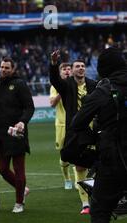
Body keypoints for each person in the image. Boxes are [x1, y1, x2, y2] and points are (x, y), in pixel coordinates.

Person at [70, 47, 127, 223]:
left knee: (100, 211)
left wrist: (96, 135)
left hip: (114, 161)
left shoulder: (103, 90)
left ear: (103, 69)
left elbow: (77, 123)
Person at [0, 57, 34, 213]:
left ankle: (19, 202)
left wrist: (22, 122)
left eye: (6, 67)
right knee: (3, 170)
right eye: (1, 67)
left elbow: (29, 107)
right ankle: (22, 189)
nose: (3, 70)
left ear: (13, 69)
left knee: (19, 169)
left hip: (16, 132)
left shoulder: (19, 84)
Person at [50, 51, 97, 215]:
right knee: (79, 166)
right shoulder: (67, 84)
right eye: (77, 66)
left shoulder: (93, 84)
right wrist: (54, 64)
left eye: (83, 66)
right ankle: (85, 204)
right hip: (76, 132)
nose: (81, 68)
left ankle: (99, 195)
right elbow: (54, 80)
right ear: (73, 69)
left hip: (94, 130)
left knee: (100, 163)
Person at [49, 62, 74, 190]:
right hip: (62, 125)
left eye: (69, 69)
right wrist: (61, 90)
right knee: (64, 154)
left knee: (80, 152)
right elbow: (52, 103)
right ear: (60, 72)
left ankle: (79, 180)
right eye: (64, 69)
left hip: (76, 124)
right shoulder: (55, 86)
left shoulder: (77, 84)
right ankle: (67, 179)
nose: (67, 71)